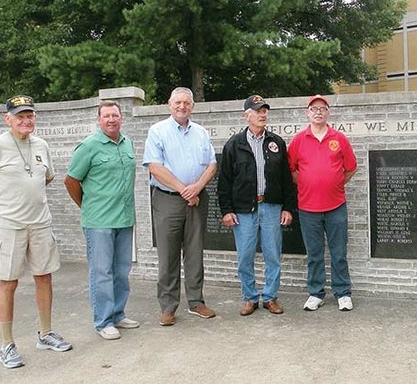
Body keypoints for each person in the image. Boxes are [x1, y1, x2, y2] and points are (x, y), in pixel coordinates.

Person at [0, 95, 72, 369]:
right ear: (7, 119)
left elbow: (48, 177)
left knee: (44, 277)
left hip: (40, 223)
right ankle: (7, 345)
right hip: (9, 226)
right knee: (7, 283)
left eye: (30, 115)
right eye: (20, 116)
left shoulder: (41, 145)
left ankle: (45, 334)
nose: (26, 121)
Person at [64, 100, 140, 340]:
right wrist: (87, 207)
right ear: (99, 119)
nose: (111, 119)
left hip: (125, 219)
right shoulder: (88, 146)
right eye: (106, 116)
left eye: (115, 115)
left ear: (121, 118)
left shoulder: (127, 143)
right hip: (99, 221)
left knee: (121, 270)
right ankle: (103, 320)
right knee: (102, 273)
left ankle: (118, 313)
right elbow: (71, 181)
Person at [143, 87, 218, 326]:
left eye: (187, 102)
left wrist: (196, 188)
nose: (182, 106)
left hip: (197, 198)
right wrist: (183, 189)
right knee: (168, 255)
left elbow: (212, 165)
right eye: (178, 102)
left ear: (192, 106)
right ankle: (168, 307)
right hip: (168, 200)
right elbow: (154, 166)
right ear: (169, 104)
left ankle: (196, 302)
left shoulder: (201, 132)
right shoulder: (158, 131)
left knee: (195, 253)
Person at [217, 95, 296, 316]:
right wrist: (227, 210)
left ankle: (270, 297)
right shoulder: (234, 144)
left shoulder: (277, 142)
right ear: (246, 115)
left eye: (264, 111)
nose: (263, 115)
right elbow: (224, 181)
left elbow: (286, 179)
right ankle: (250, 297)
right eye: (258, 111)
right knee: (245, 256)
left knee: (273, 255)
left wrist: (288, 207)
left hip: (271, 207)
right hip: (244, 211)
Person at [288, 95, 358, 312]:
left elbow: (351, 167)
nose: (318, 112)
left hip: (336, 206)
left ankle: (343, 293)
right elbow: (291, 170)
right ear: (307, 113)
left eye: (322, 108)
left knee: (339, 252)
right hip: (308, 208)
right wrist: (307, 183)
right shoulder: (299, 140)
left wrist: (335, 183)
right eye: (314, 109)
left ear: (328, 113)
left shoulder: (339, 138)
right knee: (314, 254)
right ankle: (315, 293)